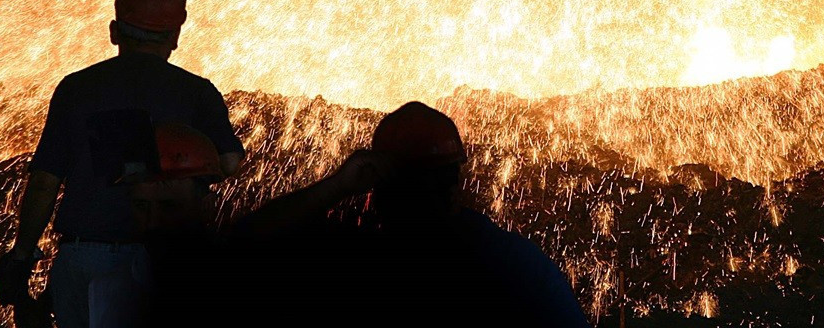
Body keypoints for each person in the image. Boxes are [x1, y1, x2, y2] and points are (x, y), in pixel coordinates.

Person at [0, 0, 245, 328]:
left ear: (114, 30)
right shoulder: (195, 91)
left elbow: (45, 181)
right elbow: (230, 162)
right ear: (175, 35)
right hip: (155, 263)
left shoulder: (76, 88)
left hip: (80, 260)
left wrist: (21, 256)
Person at [237, 101, 589, 328]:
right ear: (456, 184)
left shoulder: (346, 251)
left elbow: (240, 245)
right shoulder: (509, 259)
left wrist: (336, 186)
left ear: (378, 185)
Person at [89, 122, 228, 328]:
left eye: (169, 206)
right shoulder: (106, 291)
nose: (153, 222)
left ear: (207, 206)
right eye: (141, 206)